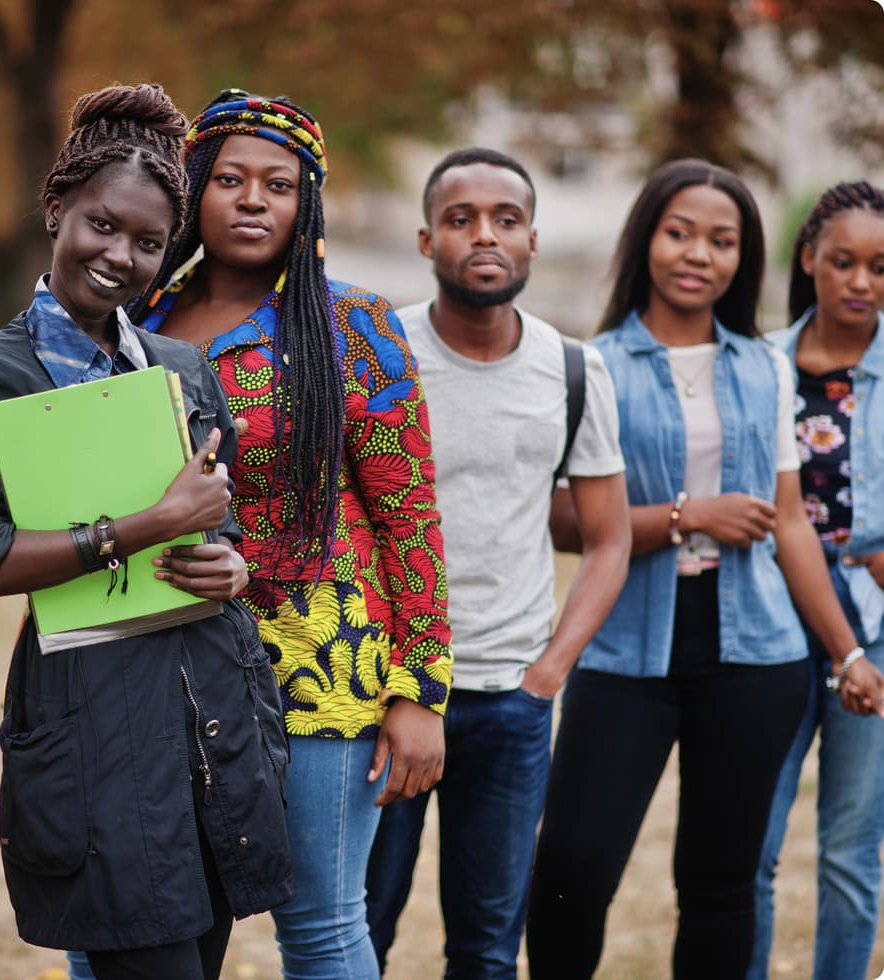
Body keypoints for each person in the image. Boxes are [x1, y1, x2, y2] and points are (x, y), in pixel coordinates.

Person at [0, 83, 292, 980]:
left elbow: (222, 525)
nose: (119, 254)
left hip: (212, 710)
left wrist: (230, 570)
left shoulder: (181, 368)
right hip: (93, 723)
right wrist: (139, 527)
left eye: (148, 242)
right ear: (57, 210)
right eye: (101, 225)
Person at [524, 158, 884, 979]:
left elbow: (788, 521)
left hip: (756, 658)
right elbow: (561, 518)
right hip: (624, 653)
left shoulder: (766, 366)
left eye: (722, 241)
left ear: (744, 257)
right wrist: (689, 515)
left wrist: (845, 652)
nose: (699, 255)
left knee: (722, 886)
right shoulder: (594, 366)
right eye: (679, 233)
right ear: (646, 238)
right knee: (572, 873)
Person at [126, 89, 451, 980]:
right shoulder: (136, 320)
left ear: (307, 203)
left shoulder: (355, 326)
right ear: (192, 191)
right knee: (137, 917)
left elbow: (410, 520)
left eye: (279, 182)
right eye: (228, 178)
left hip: (318, 661)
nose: (253, 198)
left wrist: (421, 688)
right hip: (161, 656)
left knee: (317, 924)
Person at [361, 148, 631, 979]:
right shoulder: (374, 353)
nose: (484, 234)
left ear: (533, 240)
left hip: (512, 704)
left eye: (505, 219)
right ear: (425, 238)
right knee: (353, 935)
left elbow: (609, 537)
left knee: (485, 951)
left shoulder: (575, 369)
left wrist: (548, 671)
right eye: (460, 218)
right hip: (383, 693)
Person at [750, 181, 884, 980]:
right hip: (768, 624)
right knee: (752, 845)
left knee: (849, 844)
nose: (862, 282)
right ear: (809, 262)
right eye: (843, 263)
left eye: (879, 266)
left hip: (871, 626)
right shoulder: (760, 365)